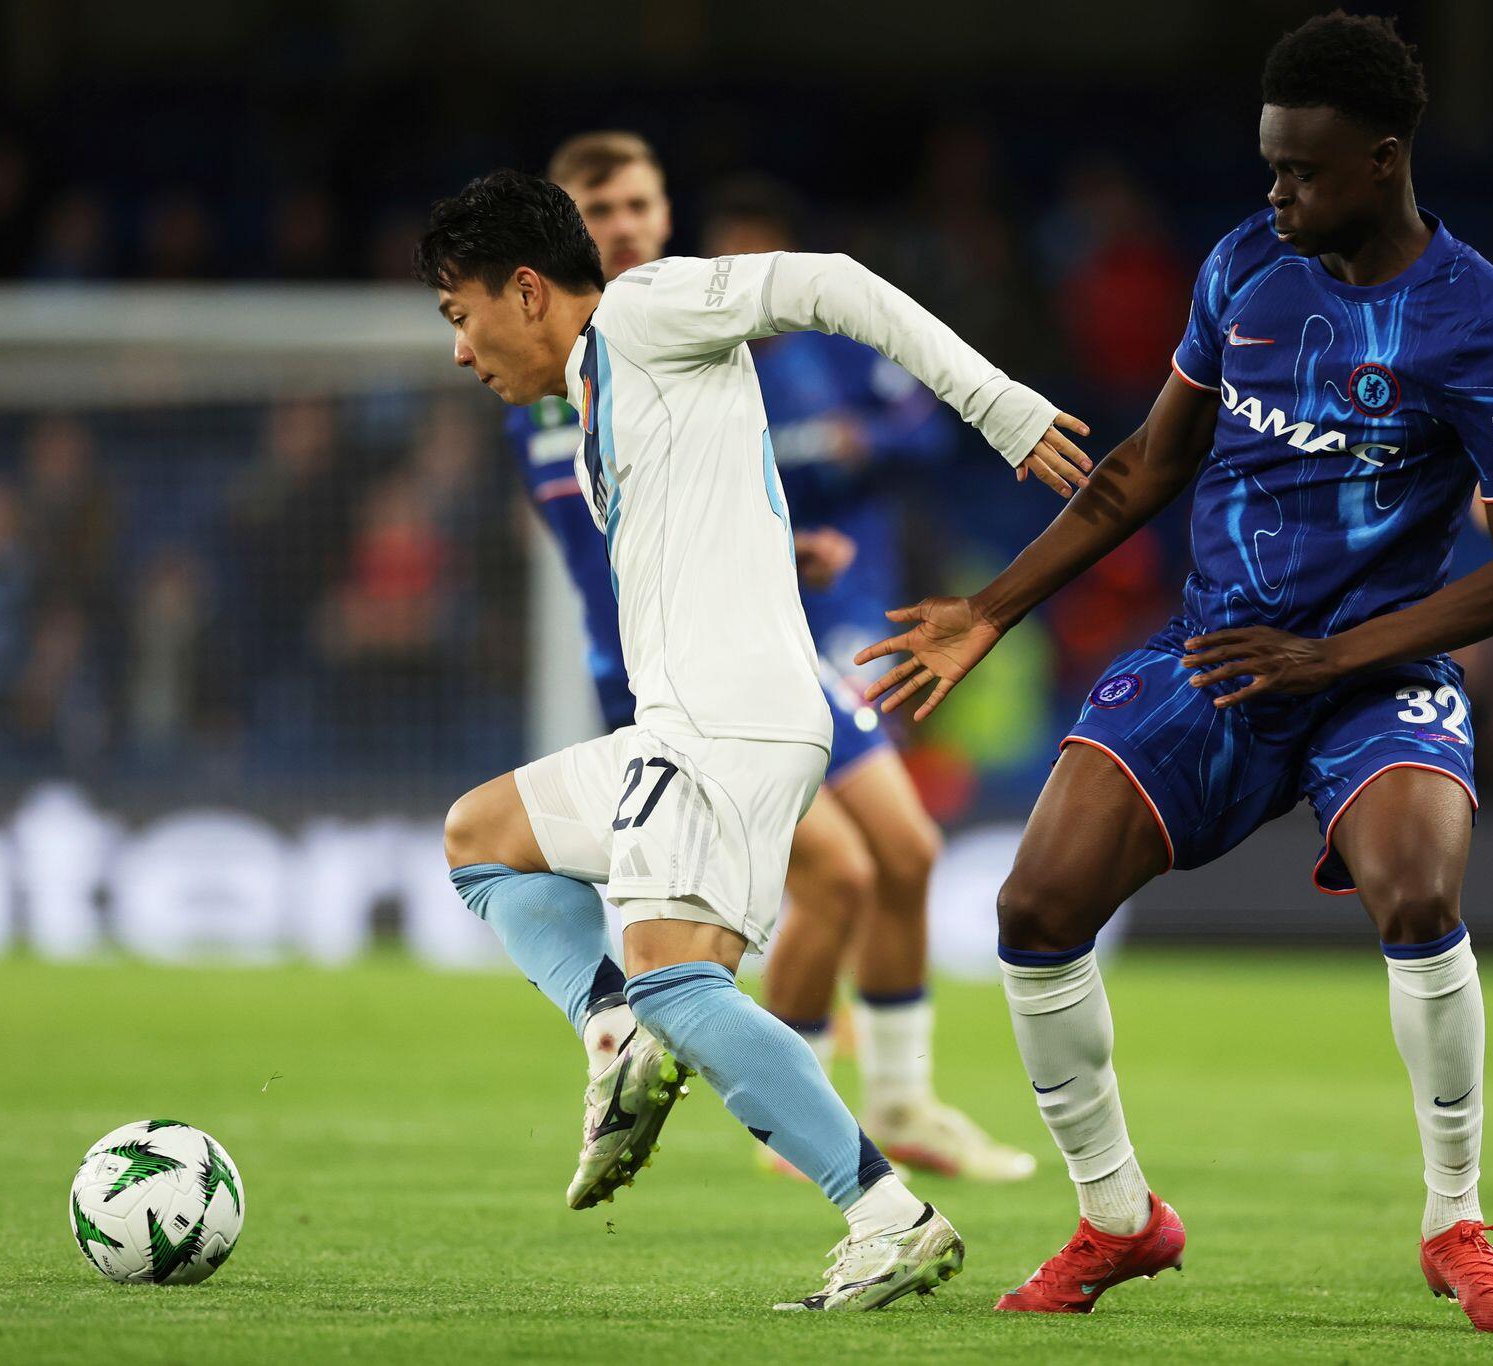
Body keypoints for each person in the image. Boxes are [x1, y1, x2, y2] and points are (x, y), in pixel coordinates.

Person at [858, 12, 1493, 1332]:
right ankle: (1117, 1216)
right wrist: (991, 609)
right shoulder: (1245, 263)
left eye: (1303, 170)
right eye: (1269, 165)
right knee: (1033, 906)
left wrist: (1333, 654)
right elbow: (1150, 463)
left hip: (1373, 667)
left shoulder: (1480, 322)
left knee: (1418, 890)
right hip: (1223, 649)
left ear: (1383, 161)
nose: (1276, 193)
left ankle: (1455, 1222)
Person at [425, 170, 1090, 1308]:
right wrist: (790, 552)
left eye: (459, 313)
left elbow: (829, 283)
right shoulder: (598, 399)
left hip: (724, 721)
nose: (458, 350)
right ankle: (612, 1035)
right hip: (685, 721)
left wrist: (996, 404)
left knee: (681, 987)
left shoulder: (641, 311)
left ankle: (887, 1218)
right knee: (481, 838)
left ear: (526, 290)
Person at [503, 133, 1031, 1181]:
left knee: (904, 853)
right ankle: (798, 1125)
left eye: (640, 204)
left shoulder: (695, 323)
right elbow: (615, 537)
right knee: (837, 876)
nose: (624, 226)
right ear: (563, 232)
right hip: (667, 671)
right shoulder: (563, 372)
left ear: (666, 213)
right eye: (600, 210)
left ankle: (895, 1100)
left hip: (764, 641)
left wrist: (778, 540)